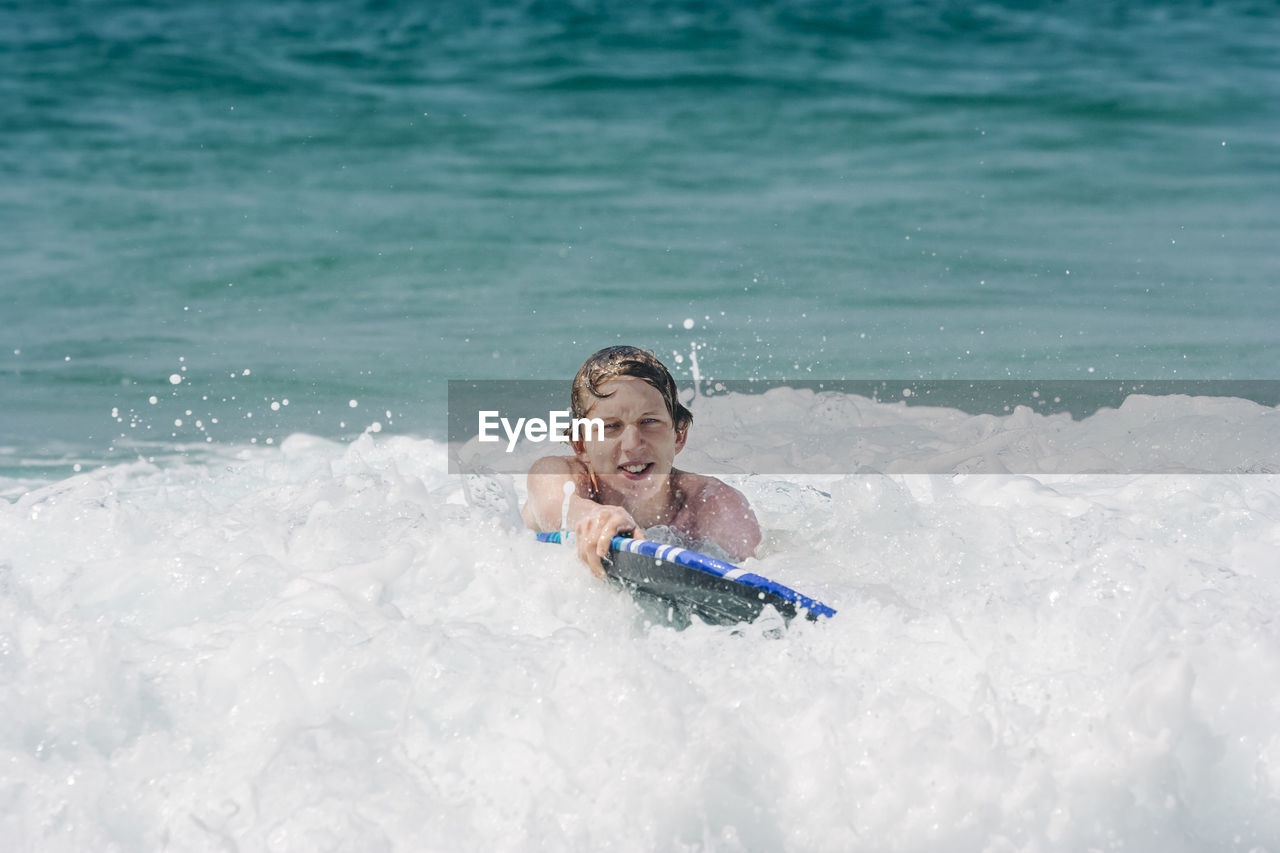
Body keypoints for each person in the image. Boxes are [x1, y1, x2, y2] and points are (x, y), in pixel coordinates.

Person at [522, 345, 761, 577]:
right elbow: (552, 508)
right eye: (611, 426)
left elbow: (759, 575)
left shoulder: (712, 504)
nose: (633, 444)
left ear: (678, 435)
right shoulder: (558, 474)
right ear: (581, 445)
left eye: (649, 422)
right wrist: (598, 516)